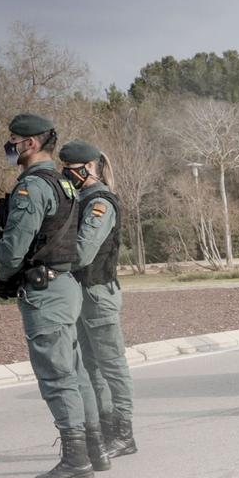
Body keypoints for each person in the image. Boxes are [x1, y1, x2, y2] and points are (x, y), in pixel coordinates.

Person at [0, 112, 99, 478]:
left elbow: (16, 243)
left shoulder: (32, 187)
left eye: (14, 141)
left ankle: (76, 458)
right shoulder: (64, 182)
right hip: (64, 285)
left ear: (31, 144)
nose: (10, 147)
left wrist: (3, 276)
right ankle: (94, 448)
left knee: (57, 376)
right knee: (75, 369)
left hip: (45, 291)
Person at [61, 140, 136, 458]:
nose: (66, 174)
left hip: (98, 293)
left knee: (111, 365)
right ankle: (107, 429)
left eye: (71, 169)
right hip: (82, 293)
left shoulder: (99, 202)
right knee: (91, 366)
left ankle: (124, 432)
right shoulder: (81, 199)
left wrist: (50, 256)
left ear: (89, 167)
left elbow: (83, 251)